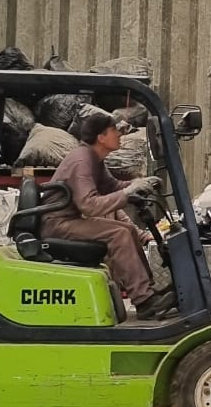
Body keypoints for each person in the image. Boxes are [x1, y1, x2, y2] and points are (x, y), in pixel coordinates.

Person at [44, 110, 176, 319]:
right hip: (57, 224)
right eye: (114, 130)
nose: (120, 134)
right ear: (101, 137)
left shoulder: (94, 159)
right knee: (119, 234)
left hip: (68, 220)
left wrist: (139, 184)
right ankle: (144, 300)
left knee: (127, 229)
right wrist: (127, 193)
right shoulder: (82, 160)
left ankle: (147, 293)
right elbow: (88, 205)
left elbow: (112, 186)